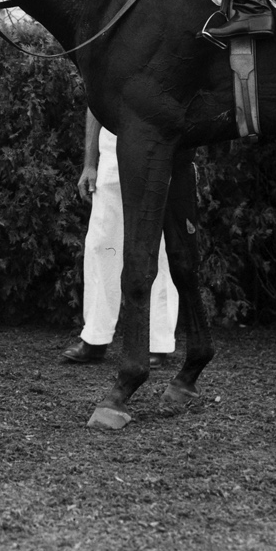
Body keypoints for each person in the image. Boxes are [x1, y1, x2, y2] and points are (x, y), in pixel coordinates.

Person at [61, 111, 178, 367]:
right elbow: (94, 104)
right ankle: (95, 338)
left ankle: (158, 343)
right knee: (102, 244)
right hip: (112, 148)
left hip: (158, 146)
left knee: (158, 248)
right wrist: (90, 163)